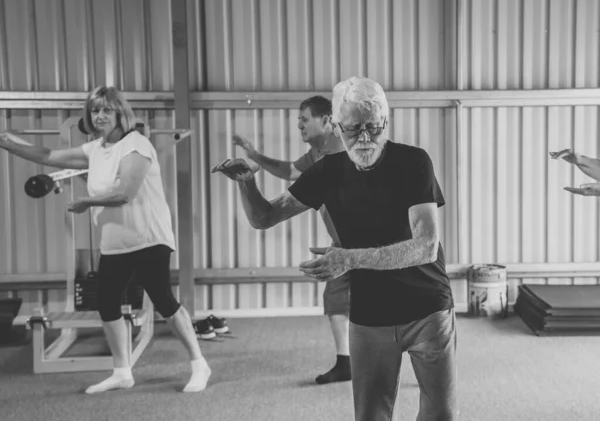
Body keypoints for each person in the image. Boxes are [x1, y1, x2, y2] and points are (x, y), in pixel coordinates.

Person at [212, 76, 457, 421]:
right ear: (338, 128)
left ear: (385, 123)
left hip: (427, 307)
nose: (365, 137)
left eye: (373, 127)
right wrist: (247, 183)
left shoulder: (413, 162)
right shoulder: (326, 171)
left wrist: (348, 259)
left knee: (440, 414)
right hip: (371, 312)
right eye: (355, 129)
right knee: (371, 415)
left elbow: (426, 247)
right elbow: (264, 217)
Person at [0, 86, 211, 395]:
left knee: (164, 300)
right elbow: (46, 156)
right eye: (94, 110)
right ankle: (122, 372)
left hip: (148, 237)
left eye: (106, 110)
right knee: (108, 303)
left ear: (120, 114)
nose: (99, 116)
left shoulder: (136, 143)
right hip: (115, 242)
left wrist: (87, 202)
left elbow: (126, 191)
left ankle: (199, 364)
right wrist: (4, 142)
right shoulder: (95, 149)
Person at [232, 95, 351, 385]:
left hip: (371, 246)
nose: (299, 124)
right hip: (340, 246)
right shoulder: (316, 159)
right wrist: (254, 158)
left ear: (326, 121)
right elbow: (289, 173)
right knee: (335, 300)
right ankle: (346, 362)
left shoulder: (346, 154)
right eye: (298, 119)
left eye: (304, 119)